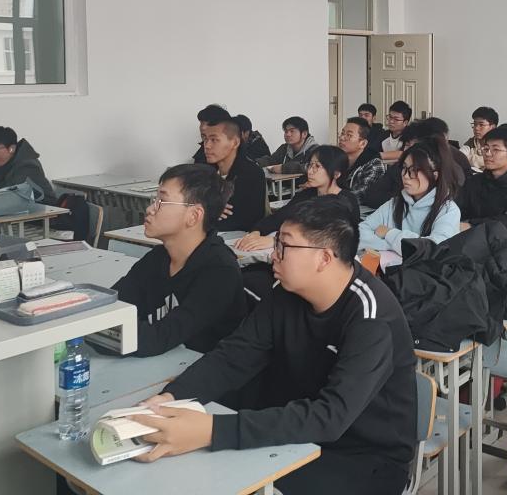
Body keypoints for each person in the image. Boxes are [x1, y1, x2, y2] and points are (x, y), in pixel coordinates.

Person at [136, 198, 417, 495]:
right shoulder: (286, 293)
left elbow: (330, 417)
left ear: (324, 258)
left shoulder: (371, 318)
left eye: (284, 245)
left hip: (364, 457)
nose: (273, 255)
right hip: (298, 430)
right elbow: (234, 356)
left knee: (232, 480)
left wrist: (211, 430)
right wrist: (172, 397)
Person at [111, 164, 245, 356]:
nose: (149, 209)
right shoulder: (158, 258)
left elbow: (159, 338)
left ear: (194, 216)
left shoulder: (220, 271)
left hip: (197, 368)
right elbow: (113, 306)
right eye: (154, 200)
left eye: (162, 201)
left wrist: (104, 332)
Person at [359, 137, 461, 267]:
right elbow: (361, 232)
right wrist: (396, 248)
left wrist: (389, 233)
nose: (406, 176)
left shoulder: (448, 210)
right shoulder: (395, 203)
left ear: (435, 175)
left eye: (414, 170)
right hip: (388, 270)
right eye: (404, 168)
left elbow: (435, 249)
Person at [236, 146, 360, 249]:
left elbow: (323, 236)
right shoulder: (307, 194)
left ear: (336, 174)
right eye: (310, 165)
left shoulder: (345, 201)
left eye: (317, 166)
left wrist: (276, 241)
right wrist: (257, 231)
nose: (310, 171)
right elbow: (280, 216)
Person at [456, 126, 507, 237]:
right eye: (486, 148)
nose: (488, 154)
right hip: (466, 237)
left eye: (495, 150)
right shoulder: (474, 181)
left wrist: (473, 225)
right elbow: (457, 209)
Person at [203, 117, 267, 232]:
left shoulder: (251, 173)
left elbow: (245, 220)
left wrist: (206, 214)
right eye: (205, 139)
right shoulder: (206, 173)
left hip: (237, 237)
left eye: (214, 140)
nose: (207, 146)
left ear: (235, 142)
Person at [359, 122, 426, 210]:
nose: (410, 150)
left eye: (415, 146)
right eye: (407, 145)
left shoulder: (430, 174)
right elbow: (371, 196)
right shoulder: (398, 167)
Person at [336, 117, 385, 198]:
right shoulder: (336, 158)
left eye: (349, 135)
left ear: (363, 143)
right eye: (342, 133)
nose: (341, 138)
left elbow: (360, 195)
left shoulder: (374, 165)